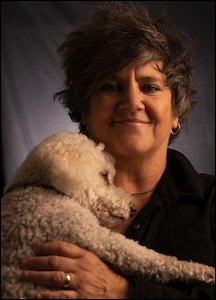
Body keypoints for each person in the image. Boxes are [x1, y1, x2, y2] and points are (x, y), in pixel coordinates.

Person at [20, 1, 215, 299]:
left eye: (150, 87)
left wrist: (123, 292)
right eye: (111, 86)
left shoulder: (212, 203)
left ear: (176, 111)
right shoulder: (32, 205)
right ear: (84, 110)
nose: (131, 101)